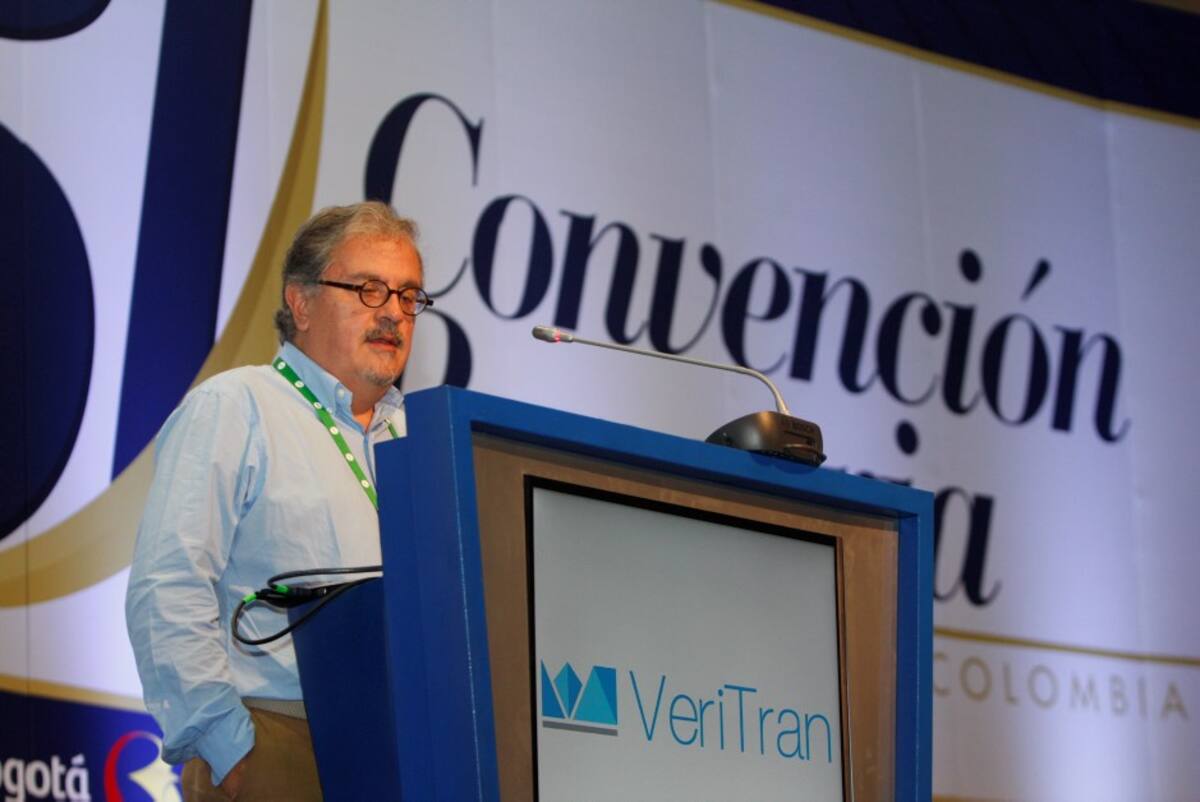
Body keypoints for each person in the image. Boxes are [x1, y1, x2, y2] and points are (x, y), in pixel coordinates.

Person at [125, 201, 429, 800]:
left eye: (409, 297)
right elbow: (168, 583)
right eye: (370, 290)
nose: (393, 313)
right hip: (277, 738)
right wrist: (229, 746)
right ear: (301, 301)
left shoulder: (419, 437)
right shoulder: (237, 407)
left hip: (407, 749)